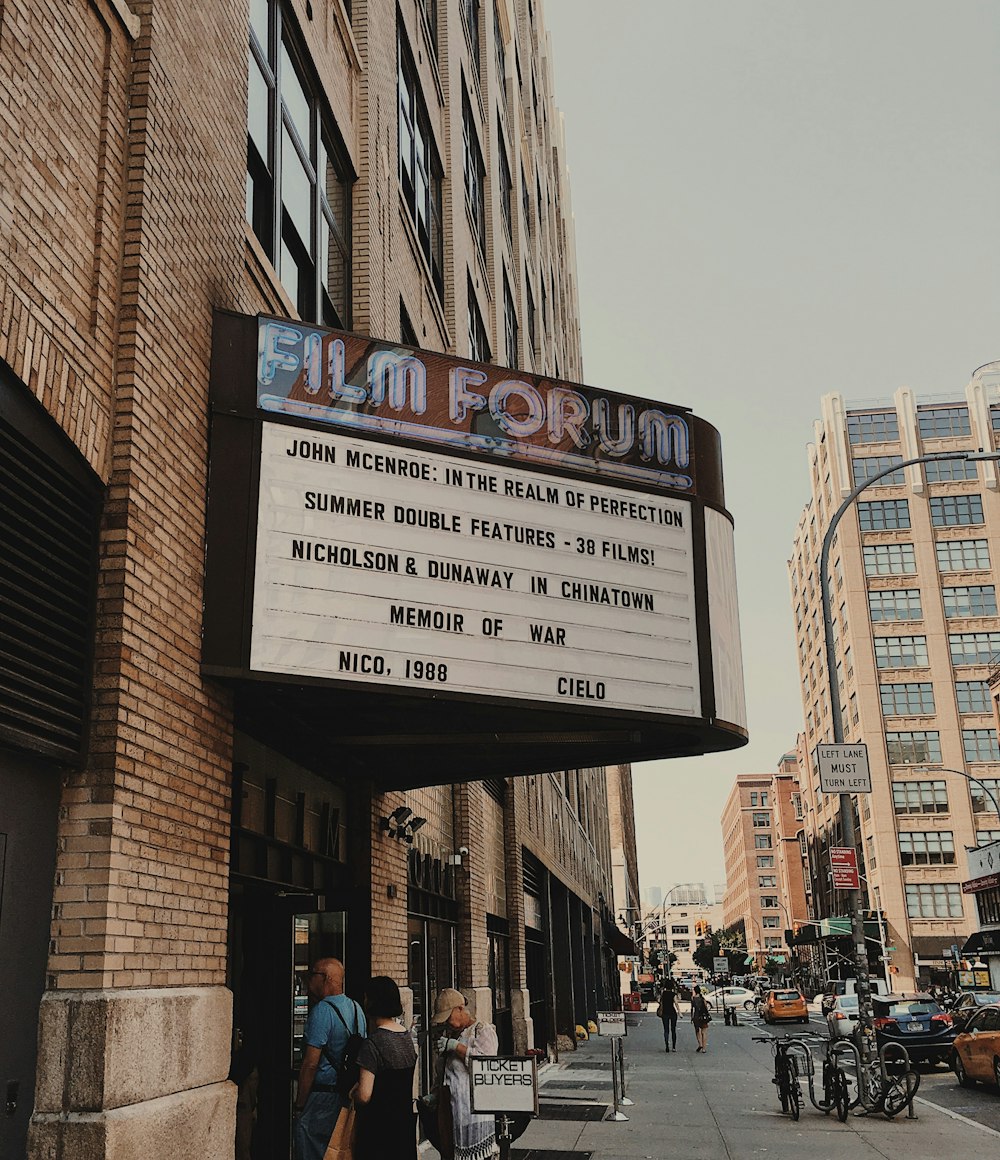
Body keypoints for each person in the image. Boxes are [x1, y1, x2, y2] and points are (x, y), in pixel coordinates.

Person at [293, 957, 367, 1160]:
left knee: (311, 1145)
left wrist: (299, 1105)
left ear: (325, 978)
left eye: (312, 975)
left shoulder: (322, 1011)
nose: (309, 980)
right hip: (348, 1094)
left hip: (322, 1097)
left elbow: (309, 1064)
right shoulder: (356, 1008)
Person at [351, 976, 417, 1160]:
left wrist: (352, 1093)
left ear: (372, 1002)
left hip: (377, 1129)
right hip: (403, 1127)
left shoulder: (372, 1043)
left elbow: (364, 1095)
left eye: (366, 997)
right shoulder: (406, 1037)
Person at [433, 987, 499, 1160]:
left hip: (473, 1115)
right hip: (451, 1113)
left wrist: (457, 1047)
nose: (446, 1022)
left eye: (448, 1017)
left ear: (460, 1009)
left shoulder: (482, 1030)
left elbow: (486, 1065)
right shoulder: (452, 1034)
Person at [658, 979, 678, 1052]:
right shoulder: (673, 994)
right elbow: (676, 1003)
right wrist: (679, 1012)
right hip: (672, 1012)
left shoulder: (663, 994)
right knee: (673, 1030)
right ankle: (674, 1047)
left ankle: (667, 1045)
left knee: (666, 1030)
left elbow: (659, 1001)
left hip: (665, 1013)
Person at [690, 984, 711, 1053]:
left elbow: (692, 1009)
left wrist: (691, 1017)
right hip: (703, 1016)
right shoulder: (702, 998)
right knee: (704, 1032)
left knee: (697, 1031)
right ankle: (704, 1048)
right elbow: (706, 1008)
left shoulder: (693, 999)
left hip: (696, 1016)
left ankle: (700, 1044)